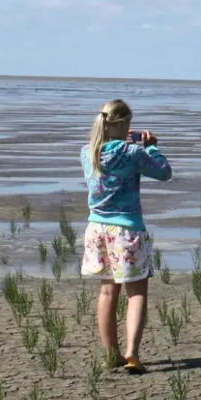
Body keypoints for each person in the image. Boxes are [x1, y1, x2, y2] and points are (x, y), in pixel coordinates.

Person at [81, 98, 172, 374]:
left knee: (107, 292)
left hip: (96, 229)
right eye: (129, 123)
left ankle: (111, 354)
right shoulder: (131, 153)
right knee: (136, 292)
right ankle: (132, 353)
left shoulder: (87, 152)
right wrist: (152, 147)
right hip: (126, 230)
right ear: (121, 125)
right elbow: (164, 173)